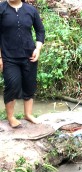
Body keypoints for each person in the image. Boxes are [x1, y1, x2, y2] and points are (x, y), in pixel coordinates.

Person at [0, 0, 45, 128]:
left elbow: (40, 31)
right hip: (8, 56)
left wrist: (38, 49)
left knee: (29, 84)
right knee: (12, 84)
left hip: (29, 55)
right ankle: (10, 117)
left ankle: (28, 114)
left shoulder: (31, 10)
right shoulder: (1, 8)